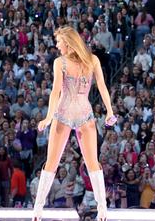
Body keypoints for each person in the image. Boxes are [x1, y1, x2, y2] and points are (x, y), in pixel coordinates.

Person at [32, 26, 116, 221]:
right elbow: (55, 92)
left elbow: (102, 87)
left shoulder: (92, 60)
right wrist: (49, 117)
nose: (57, 45)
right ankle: (38, 209)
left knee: (93, 163)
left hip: (85, 115)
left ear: (68, 43)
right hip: (62, 115)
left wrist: (110, 111)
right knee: (51, 163)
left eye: (59, 42)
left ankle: (102, 208)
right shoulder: (59, 63)